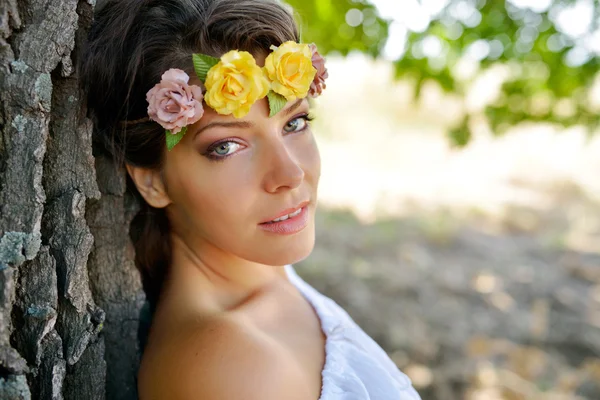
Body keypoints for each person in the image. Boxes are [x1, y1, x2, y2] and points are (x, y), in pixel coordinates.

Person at [81, 0, 422, 398]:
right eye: (226, 146)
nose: (291, 174)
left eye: (294, 123)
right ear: (152, 182)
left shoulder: (264, 270)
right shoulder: (229, 370)